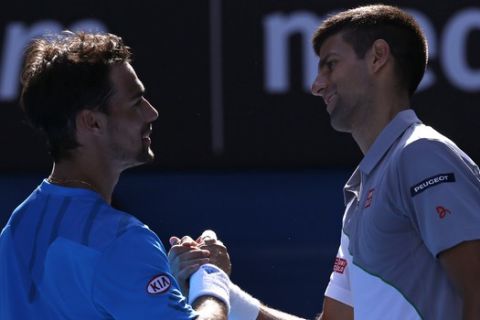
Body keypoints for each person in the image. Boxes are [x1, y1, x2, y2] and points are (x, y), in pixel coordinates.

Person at [169, 4, 480, 320]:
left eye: (330, 65)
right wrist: (218, 286)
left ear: (378, 57)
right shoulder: (363, 195)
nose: (317, 85)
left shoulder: (421, 154)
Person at [0, 31, 234, 319]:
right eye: (136, 103)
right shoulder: (121, 241)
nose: (152, 113)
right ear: (92, 122)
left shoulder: (16, 228)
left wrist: (167, 286)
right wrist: (212, 280)